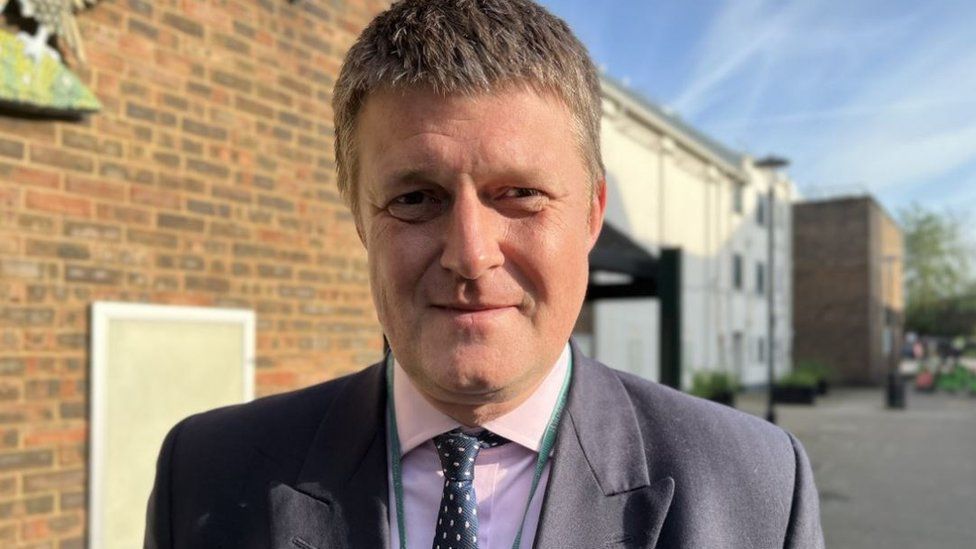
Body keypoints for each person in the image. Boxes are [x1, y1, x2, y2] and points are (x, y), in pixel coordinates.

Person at [144, 1, 825, 547]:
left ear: (591, 214)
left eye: (520, 194)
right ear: (360, 218)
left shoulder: (755, 491)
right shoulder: (206, 474)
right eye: (415, 199)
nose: (470, 255)